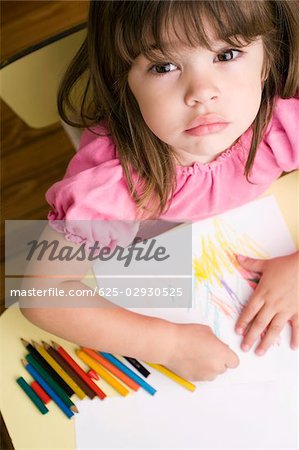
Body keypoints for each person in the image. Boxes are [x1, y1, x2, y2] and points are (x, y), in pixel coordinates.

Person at [21, 0, 299, 381]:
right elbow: (42, 297)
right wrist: (168, 345)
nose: (202, 93)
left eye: (227, 54)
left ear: (269, 56)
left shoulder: (283, 118)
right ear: (123, 78)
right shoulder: (116, 182)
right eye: (163, 66)